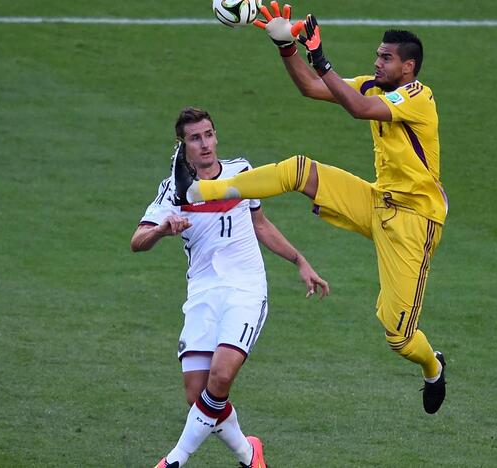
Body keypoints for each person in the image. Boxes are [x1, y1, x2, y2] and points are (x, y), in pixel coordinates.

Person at [172, 2, 449, 414]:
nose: (377, 62)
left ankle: (433, 367)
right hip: (376, 200)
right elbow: (311, 88)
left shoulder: (417, 97)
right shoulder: (373, 85)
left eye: (386, 58)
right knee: (299, 170)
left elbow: (357, 109)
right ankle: (202, 191)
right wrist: (286, 46)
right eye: (377, 54)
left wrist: (320, 56)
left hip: (413, 222)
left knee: (399, 337)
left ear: (408, 67)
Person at [132, 107, 329, 467]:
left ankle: (175, 459)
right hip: (203, 294)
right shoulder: (173, 191)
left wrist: (300, 261)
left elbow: (261, 224)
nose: (205, 144)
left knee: (220, 376)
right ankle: (248, 453)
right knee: (198, 395)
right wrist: (162, 230)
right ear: (183, 146)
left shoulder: (242, 172)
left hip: (246, 290)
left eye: (208, 134)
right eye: (195, 138)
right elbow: (137, 240)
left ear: (216, 136)